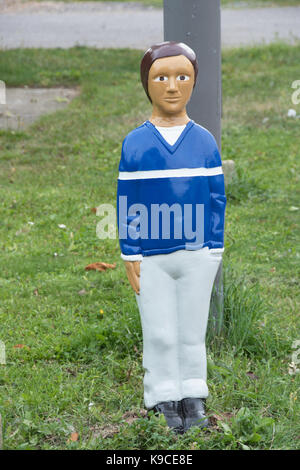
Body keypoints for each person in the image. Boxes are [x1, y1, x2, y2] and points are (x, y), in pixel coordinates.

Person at [117, 41, 226, 434]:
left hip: (197, 252)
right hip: (152, 255)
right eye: (160, 77)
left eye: (183, 76)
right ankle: (163, 394)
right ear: (146, 84)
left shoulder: (204, 142)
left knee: (192, 328)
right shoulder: (136, 143)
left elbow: (217, 199)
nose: (172, 87)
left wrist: (215, 247)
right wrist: (131, 252)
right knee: (160, 329)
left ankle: (192, 392)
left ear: (195, 81)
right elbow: (127, 201)